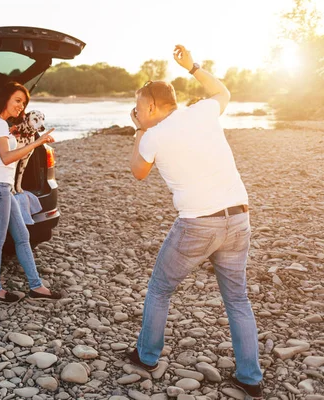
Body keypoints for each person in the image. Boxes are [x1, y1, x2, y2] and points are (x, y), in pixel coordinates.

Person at [127, 45, 263, 398]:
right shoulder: (202, 112)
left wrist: (139, 130)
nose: (138, 112)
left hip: (198, 225)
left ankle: (147, 357)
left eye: (140, 107)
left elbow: (138, 172)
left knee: (160, 288)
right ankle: (250, 377)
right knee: (237, 299)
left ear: (153, 107)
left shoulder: (152, 134)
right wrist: (193, 67)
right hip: (239, 218)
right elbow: (223, 92)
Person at [0, 81, 61, 303]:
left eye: (24, 103)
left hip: (2, 187)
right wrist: (37, 142)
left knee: (23, 237)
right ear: (5, 98)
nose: (21, 106)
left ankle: (36, 286)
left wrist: (10, 134)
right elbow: (6, 158)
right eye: (17, 100)